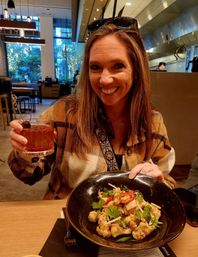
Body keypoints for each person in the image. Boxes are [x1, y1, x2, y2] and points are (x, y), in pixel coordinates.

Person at [8, 17, 176, 200]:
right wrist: (24, 149)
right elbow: (28, 175)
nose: (104, 79)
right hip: (66, 219)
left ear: (136, 71)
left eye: (117, 66)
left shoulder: (153, 123)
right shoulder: (64, 113)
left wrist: (159, 182)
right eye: (95, 67)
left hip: (127, 225)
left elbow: (167, 181)